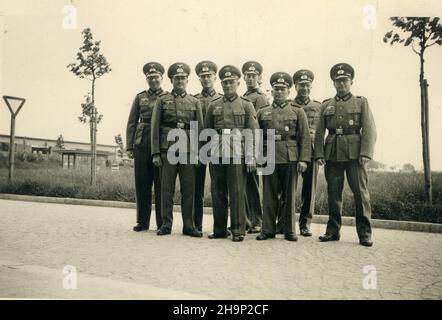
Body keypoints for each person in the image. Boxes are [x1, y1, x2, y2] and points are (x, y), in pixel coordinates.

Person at [315, 63, 377, 247]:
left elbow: (370, 129)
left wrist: (366, 153)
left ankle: (364, 234)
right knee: (333, 193)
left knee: (361, 194)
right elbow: (319, 132)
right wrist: (319, 154)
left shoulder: (360, 102)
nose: (341, 84)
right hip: (332, 154)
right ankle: (333, 231)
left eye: (345, 80)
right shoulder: (326, 105)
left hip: (355, 155)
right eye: (338, 81)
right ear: (333, 83)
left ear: (351, 82)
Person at [204, 65, 258, 242]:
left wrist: (250, 157)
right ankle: (219, 229)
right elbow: (207, 131)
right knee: (218, 191)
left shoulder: (246, 105)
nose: (228, 85)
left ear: (238, 82)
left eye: (231, 82)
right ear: (221, 83)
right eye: (225, 82)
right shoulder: (214, 105)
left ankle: (238, 230)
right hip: (217, 151)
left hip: (237, 152)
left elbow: (252, 133)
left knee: (236, 191)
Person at [256, 72, 311, 241]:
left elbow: (304, 137)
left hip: (290, 156)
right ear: (271, 91)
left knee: (289, 195)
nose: (279, 92)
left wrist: (303, 159)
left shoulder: (297, 111)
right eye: (276, 89)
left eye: (283, 89)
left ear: (288, 91)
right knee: (269, 194)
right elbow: (257, 136)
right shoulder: (262, 112)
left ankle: (289, 230)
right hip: (269, 155)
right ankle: (267, 230)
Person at [151, 62, 204, 237]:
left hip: (188, 151)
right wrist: (156, 152)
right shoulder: (162, 100)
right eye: (176, 78)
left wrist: (198, 153)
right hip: (169, 149)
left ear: (187, 80)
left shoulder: (194, 102)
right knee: (167, 188)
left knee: (189, 189)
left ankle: (189, 225)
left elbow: (199, 129)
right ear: (171, 80)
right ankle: (166, 224)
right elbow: (155, 127)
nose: (180, 81)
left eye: (183, 78)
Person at [126, 62, 166, 232]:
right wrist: (129, 146)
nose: (153, 80)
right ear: (146, 79)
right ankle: (142, 222)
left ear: (162, 78)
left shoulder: (167, 97)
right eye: (150, 78)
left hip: (161, 145)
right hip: (142, 144)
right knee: (142, 184)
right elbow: (132, 122)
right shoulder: (140, 97)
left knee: (160, 184)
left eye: (156, 77)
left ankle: (162, 223)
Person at [291, 69, 322, 237]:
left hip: (310, 152)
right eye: (301, 85)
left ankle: (305, 224)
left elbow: (321, 131)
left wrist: (320, 153)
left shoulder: (318, 106)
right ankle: (284, 222)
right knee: (287, 189)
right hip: (291, 151)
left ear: (311, 86)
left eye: (307, 85)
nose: (304, 88)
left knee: (309, 190)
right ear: (295, 86)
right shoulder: (289, 105)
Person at [192, 61, 222, 232]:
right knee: (197, 188)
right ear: (199, 79)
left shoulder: (221, 99)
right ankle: (197, 224)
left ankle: (219, 226)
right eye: (202, 76)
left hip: (218, 147)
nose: (206, 79)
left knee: (218, 188)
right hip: (199, 147)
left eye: (208, 75)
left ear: (214, 77)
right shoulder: (195, 99)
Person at [241, 61, 269, 233]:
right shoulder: (244, 96)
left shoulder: (260, 97)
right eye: (248, 76)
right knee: (244, 185)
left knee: (252, 184)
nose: (250, 78)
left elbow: (259, 125)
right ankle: (246, 220)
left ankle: (257, 220)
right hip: (243, 145)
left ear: (259, 78)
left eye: (254, 76)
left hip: (254, 146)